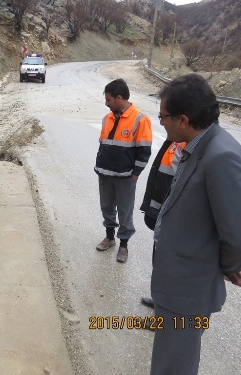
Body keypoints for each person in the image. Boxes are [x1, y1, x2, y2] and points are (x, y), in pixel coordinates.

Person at [150, 73, 241, 375]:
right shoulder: (198, 143)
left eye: (163, 117)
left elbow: (234, 228)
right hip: (178, 284)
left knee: (174, 366)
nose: (161, 122)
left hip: (187, 290)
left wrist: (231, 266)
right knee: (172, 359)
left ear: (184, 119)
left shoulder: (221, 156)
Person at [94, 78, 152, 263]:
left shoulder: (140, 119)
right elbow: (103, 145)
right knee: (106, 208)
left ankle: (124, 245)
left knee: (125, 212)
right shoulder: (107, 119)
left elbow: (144, 151)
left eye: (109, 100)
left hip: (126, 177)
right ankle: (109, 237)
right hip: (104, 173)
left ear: (120, 98)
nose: (106, 103)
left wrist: (135, 174)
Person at [139, 139, 186, 309]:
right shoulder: (175, 139)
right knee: (159, 262)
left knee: (171, 267)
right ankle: (160, 300)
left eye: (163, 117)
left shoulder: (192, 144)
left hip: (175, 217)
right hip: (162, 212)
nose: (161, 122)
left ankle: (166, 313)